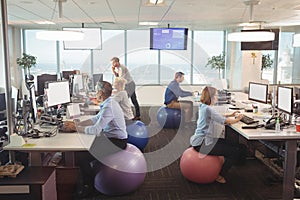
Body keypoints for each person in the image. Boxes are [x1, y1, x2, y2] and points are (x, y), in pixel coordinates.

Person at [63, 81, 127, 197]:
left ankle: (89, 188)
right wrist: (77, 124)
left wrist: (76, 128)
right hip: (109, 137)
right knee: (82, 149)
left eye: (96, 90)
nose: (94, 93)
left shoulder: (109, 106)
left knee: (82, 157)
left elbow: (96, 129)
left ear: (101, 92)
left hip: (117, 142)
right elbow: (96, 118)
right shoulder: (109, 102)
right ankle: (78, 182)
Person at [190, 86, 246, 184]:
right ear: (211, 97)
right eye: (216, 95)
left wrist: (231, 115)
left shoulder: (203, 106)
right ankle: (219, 175)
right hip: (203, 144)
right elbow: (225, 121)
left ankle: (235, 163)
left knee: (234, 144)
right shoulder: (208, 109)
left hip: (201, 140)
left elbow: (217, 116)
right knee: (234, 151)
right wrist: (239, 119)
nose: (217, 97)